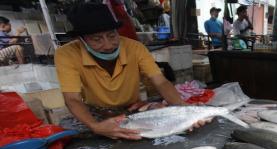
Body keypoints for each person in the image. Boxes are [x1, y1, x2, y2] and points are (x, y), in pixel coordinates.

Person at [55, 3, 205, 140]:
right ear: (82, 40)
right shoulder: (66, 54)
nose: (108, 45)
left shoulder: (135, 47)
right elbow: (72, 98)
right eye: (97, 39)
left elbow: (160, 81)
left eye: (112, 35)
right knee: (75, 133)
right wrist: (96, 126)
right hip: (96, 112)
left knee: (164, 119)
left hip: (131, 108)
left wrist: (182, 107)